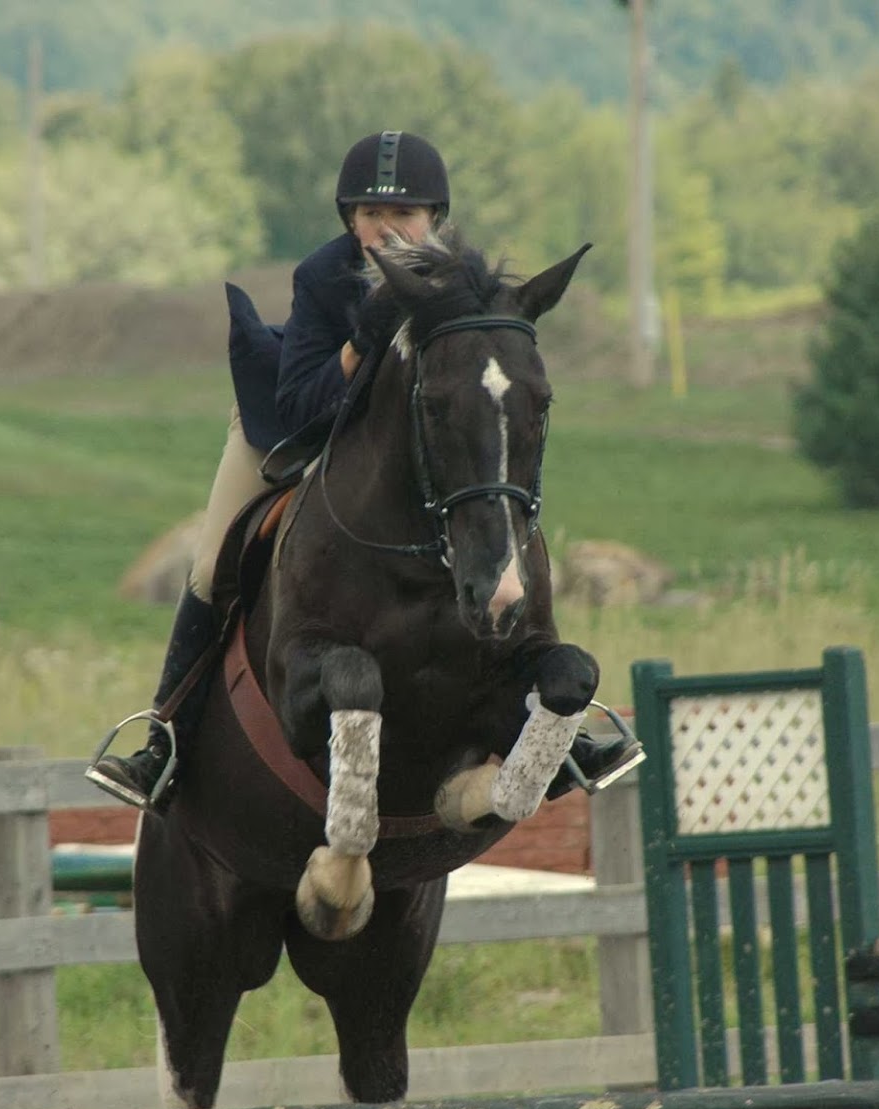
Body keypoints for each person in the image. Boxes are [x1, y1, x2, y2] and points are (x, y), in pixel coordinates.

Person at [87, 130, 639, 811]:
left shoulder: (455, 281)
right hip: (282, 427)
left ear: (435, 219)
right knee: (208, 567)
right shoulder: (323, 277)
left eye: (405, 214)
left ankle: (559, 732)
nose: (387, 228)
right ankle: (162, 742)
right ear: (349, 219)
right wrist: (361, 341)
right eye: (371, 214)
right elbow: (302, 408)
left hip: (391, 449)